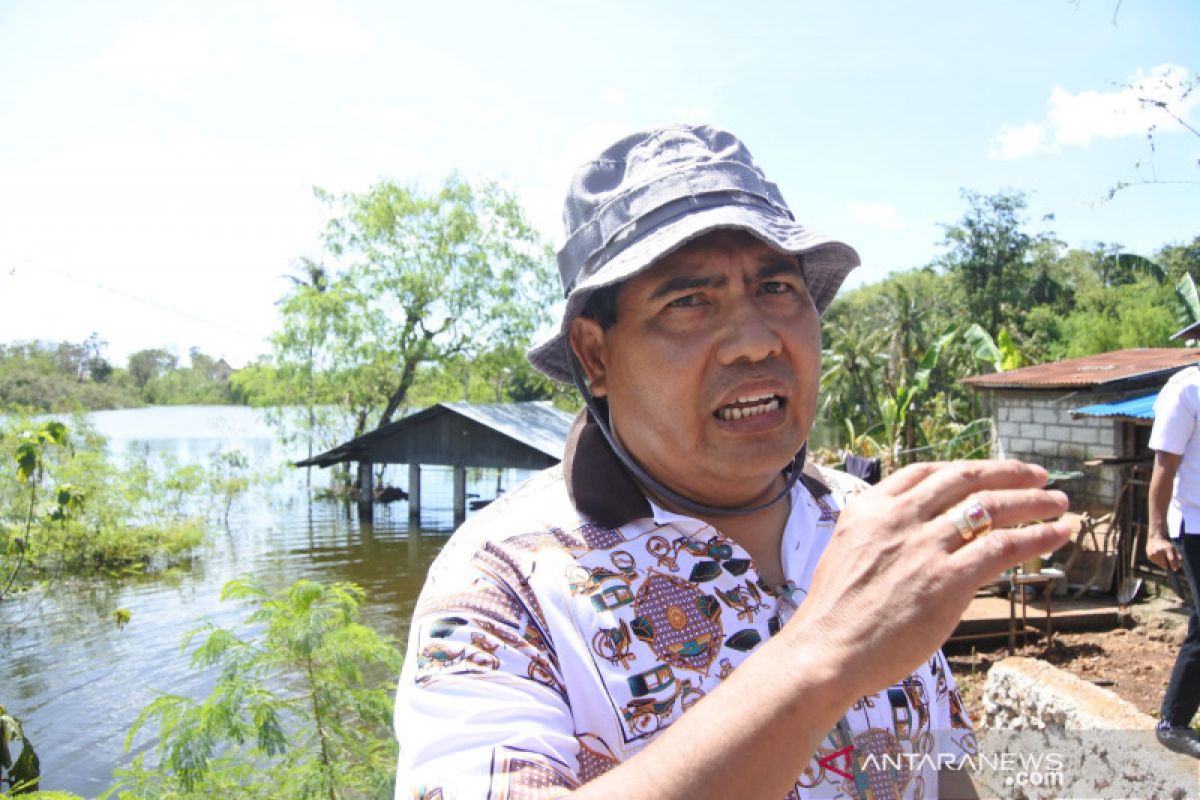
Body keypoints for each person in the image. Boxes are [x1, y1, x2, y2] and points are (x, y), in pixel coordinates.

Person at [393, 124, 1069, 799]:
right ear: (596, 356)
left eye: (777, 289)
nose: (754, 343)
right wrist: (821, 653)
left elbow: (937, 764)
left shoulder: (867, 522)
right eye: (688, 302)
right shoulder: (504, 583)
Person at [1146, 363, 1200, 759]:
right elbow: (1165, 467)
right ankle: (1172, 722)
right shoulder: (1186, 390)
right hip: (1197, 524)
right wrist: (1155, 533)